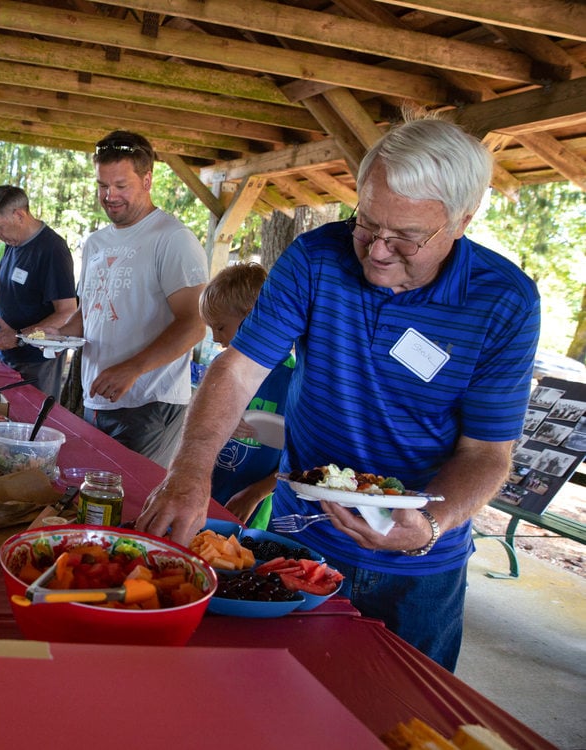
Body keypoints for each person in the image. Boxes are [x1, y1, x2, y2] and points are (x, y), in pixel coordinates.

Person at [137, 116, 541, 671]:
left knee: (403, 712)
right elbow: (237, 370)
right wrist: (189, 473)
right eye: (367, 223)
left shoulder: (505, 301)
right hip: (302, 538)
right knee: (274, 694)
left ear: (462, 221)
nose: (376, 251)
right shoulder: (316, 258)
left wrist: (426, 527)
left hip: (421, 565)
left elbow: (487, 454)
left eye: (405, 238)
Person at [51, 131, 208, 466]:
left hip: (150, 403)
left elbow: (194, 324)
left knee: (130, 506)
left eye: (121, 186)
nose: (109, 196)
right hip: (97, 398)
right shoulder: (95, 243)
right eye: (102, 185)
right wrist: (56, 336)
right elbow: (91, 311)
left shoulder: (173, 238)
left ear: (147, 179)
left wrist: (133, 368)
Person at [199, 264, 295, 530]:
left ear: (252, 319)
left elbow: (303, 459)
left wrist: (256, 493)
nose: (216, 339)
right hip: (215, 491)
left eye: (220, 327)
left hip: (257, 504)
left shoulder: (293, 380)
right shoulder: (224, 370)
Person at [0, 186, 77, 399]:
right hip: (8, 352)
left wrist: (19, 337)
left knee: (29, 422)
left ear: (19, 215)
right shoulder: (14, 241)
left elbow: (67, 311)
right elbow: (3, 273)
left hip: (36, 361)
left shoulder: (52, 250)